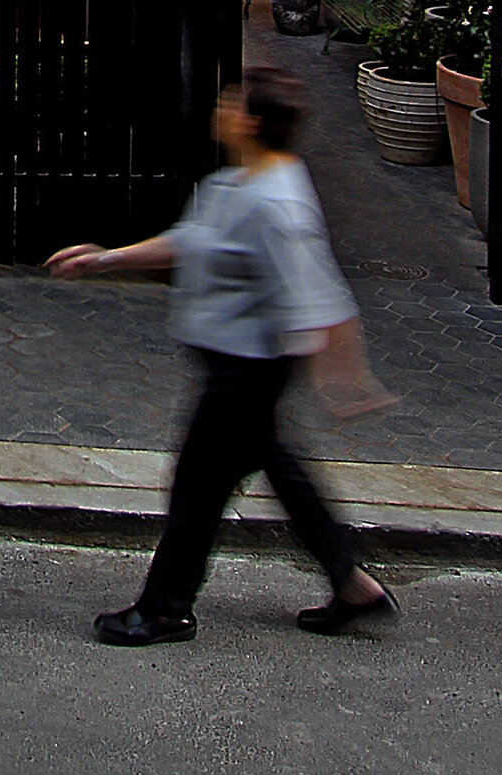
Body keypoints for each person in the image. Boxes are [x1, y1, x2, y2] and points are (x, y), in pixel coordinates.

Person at [49, 66, 399, 643]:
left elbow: (320, 298)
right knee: (282, 472)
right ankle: (352, 583)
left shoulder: (277, 205)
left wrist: (347, 379)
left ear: (253, 123)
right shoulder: (235, 184)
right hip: (232, 363)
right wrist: (105, 260)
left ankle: (165, 607)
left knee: (197, 487)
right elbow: (187, 242)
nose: (221, 107)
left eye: (232, 102)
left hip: (248, 371)